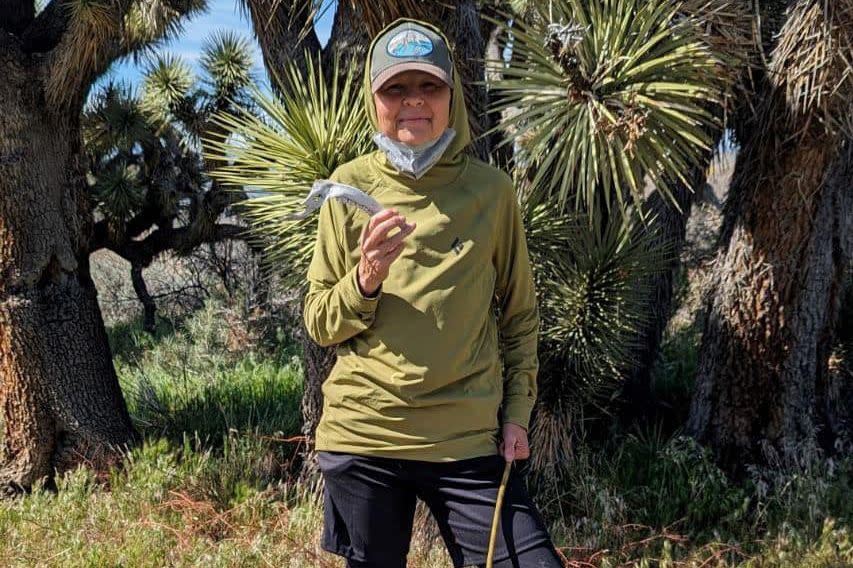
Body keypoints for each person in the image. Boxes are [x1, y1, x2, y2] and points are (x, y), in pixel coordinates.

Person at [303, 18, 563, 568]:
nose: (413, 102)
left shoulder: (491, 192)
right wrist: (366, 275)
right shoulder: (346, 188)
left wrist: (517, 414)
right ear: (374, 100)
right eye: (395, 88)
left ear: (453, 96)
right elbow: (320, 322)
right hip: (365, 436)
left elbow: (519, 317)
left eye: (429, 86)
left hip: (467, 443)